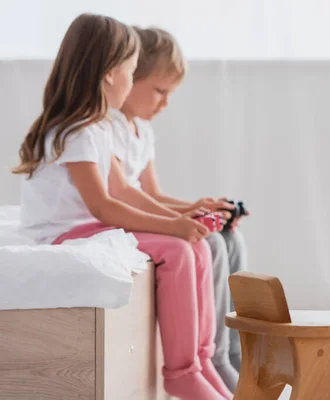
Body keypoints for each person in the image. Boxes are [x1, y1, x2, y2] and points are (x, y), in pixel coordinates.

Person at [13, 14, 231, 400]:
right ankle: (181, 373)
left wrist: (183, 218)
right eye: (132, 72)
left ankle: (199, 360)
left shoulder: (94, 127)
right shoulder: (74, 131)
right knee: (178, 250)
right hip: (64, 232)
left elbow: (126, 193)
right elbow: (105, 207)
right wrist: (174, 228)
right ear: (112, 74)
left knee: (193, 246)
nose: (131, 81)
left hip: (88, 226)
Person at [109, 26, 248, 392]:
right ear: (128, 77)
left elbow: (152, 192)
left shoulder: (142, 131)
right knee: (210, 245)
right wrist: (181, 219)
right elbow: (123, 195)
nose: (164, 103)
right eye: (159, 91)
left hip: (142, 211)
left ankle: (232, 352)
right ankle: (213, 358)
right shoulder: (108, 127)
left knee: (230, 238)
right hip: (124, 220)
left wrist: (196, 207)